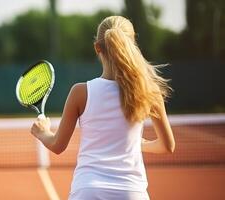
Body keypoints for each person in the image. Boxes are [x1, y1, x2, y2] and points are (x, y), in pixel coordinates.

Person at [31, 16, 175, 200]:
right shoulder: (149, 91)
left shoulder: (80, 92)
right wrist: (137, 143)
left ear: (97, 48)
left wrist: (42, 132)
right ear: (132, 45)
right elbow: (167, 146)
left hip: (88, 191)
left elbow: (57, 145)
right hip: (132, 193)